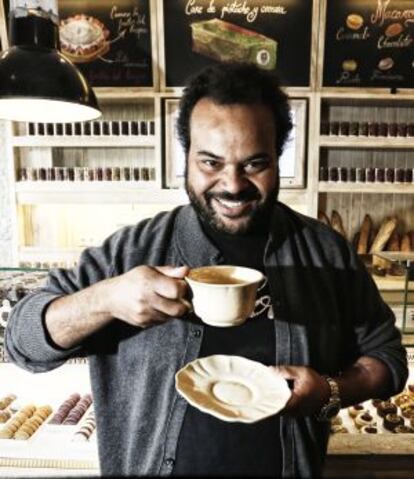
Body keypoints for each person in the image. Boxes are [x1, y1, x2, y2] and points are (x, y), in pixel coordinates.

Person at [5, 63, 408, 478]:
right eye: (210, 163)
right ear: (186, 157)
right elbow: (23, 343)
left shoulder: (326, 253)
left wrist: (330, 392)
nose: (232, 185)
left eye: (254, 164)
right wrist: (107, 299)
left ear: (278, 156)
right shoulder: (131, 252)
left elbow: (388, 359)